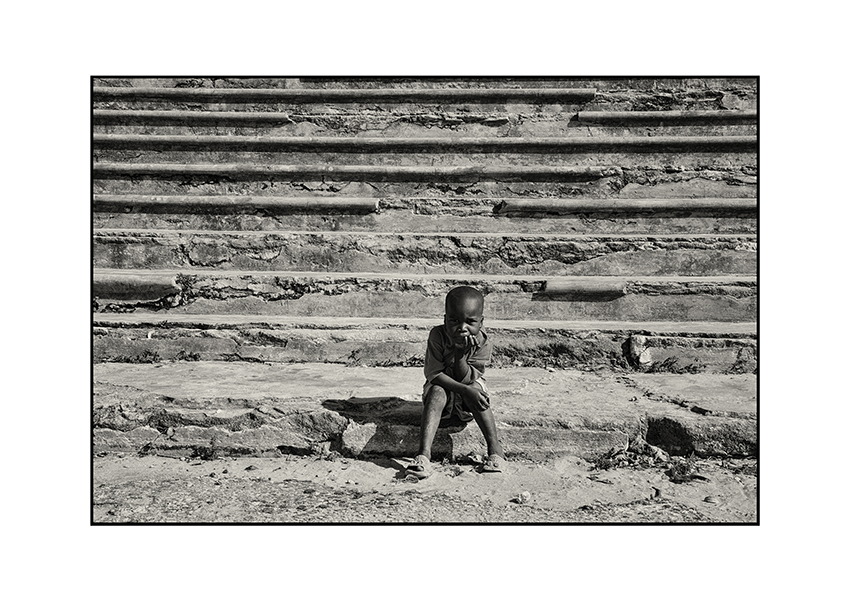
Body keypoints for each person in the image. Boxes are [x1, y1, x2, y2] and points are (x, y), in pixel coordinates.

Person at [405, 286, 505, 479]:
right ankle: (423, 455)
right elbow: (434, 375)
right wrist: (464, 390)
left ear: (481, 322)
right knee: (436, 391)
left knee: (477, 391)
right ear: (444, 319)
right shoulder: (437, 336)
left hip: (469, 386)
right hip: (442, 387)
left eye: (470, 322)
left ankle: (495, 450)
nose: (462, 327)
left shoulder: (482, 342)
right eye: (454, 320)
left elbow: (468, 379)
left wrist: (460, 358)